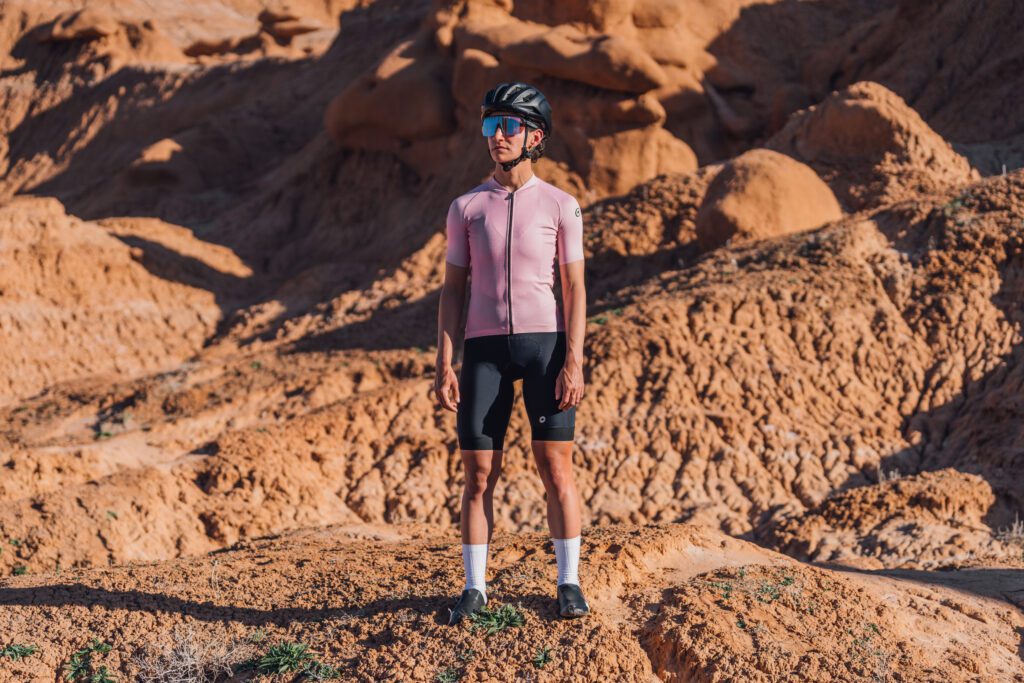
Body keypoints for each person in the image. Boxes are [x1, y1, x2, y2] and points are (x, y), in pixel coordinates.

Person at [433, 82, 590, 625]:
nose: (496, 136)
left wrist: (574, 360)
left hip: (546, 348)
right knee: (478, 475)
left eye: (508, 126)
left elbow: (575, 288)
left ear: (534, 137)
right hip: (483, 352)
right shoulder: (466, 207)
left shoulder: (562, 206)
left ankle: (568, 582)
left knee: (555, 469)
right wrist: (444, 362)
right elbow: (452, 290)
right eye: (489, 125)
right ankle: (474, 588)